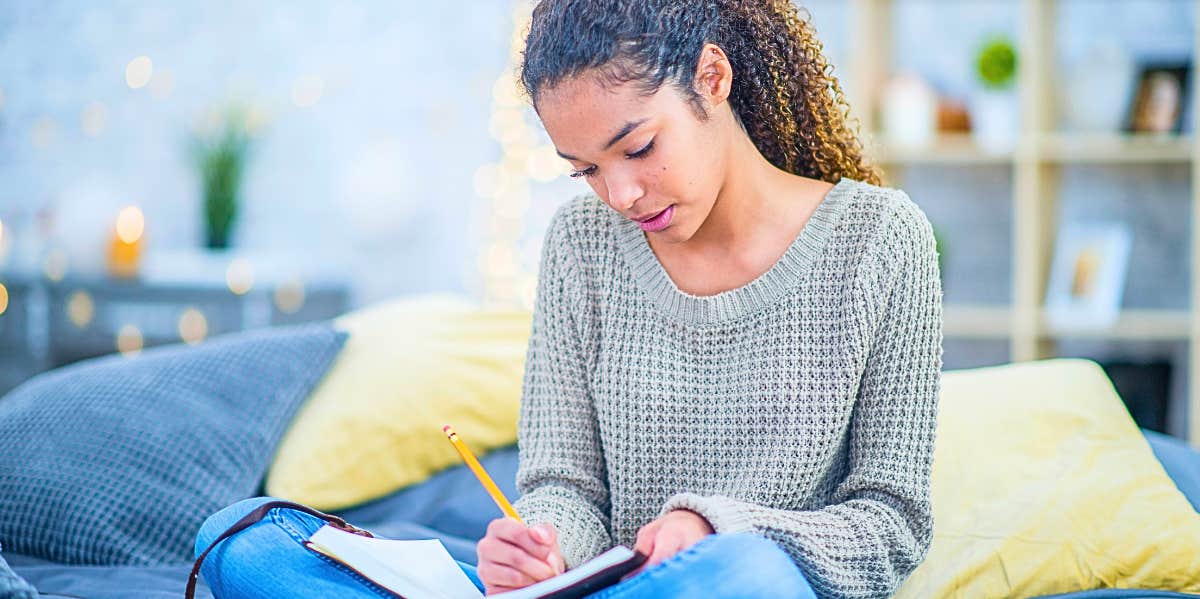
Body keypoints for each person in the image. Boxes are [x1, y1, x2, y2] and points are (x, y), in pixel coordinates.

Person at [194, 1, 942, 598]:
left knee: (746, 577)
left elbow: (891, 524)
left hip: (729, 584)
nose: (619, 194)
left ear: (712, 77)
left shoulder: (881, 241)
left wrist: (715, 526)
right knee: (241, 540)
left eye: (639, 148)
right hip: (594, 587)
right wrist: (542, 548)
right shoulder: (582, 246)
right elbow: (564, 486)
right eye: (583, 168)